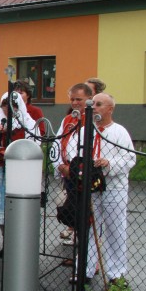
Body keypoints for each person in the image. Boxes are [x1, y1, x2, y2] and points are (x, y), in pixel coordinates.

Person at [63, 93, 135, 284]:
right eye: (92, 104)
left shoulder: (119, 132)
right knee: (89, 229)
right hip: (89, 188)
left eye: (99, 104)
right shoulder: (86, 130)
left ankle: (116, 274)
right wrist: (81, 165)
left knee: (115, 229)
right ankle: (84, 270)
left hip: (114, 187)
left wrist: (109, 163)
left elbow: (130, 159)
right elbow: (72, 151)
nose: (94, 107)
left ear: (110, 109)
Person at [0, 87, 38, 258]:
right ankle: (6, 243)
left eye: (12, 104)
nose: (8, 108)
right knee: (2, 210)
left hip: (18, 169)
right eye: (5, 104)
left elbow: (32, 146)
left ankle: (20, 246)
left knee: (17, 209)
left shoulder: (28, 123)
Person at [54, 82, 94, 246]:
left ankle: (86, 251)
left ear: (89, 99)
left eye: (79, 99)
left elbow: (92, 148)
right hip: (67, 171)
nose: (75, 103)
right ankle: (77, 243)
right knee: (73, 211)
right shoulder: (68, 119)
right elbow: (57, 143)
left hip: (83, 174)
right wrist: (60, 165)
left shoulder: (92, 119)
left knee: (86, 213)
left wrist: (76, 168)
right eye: (72, 99)